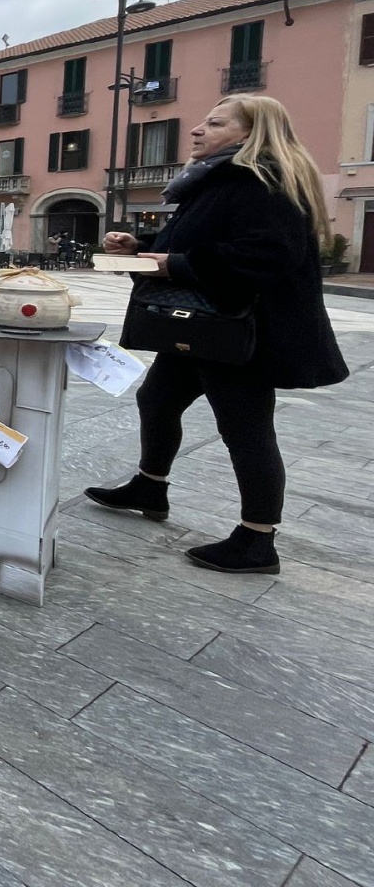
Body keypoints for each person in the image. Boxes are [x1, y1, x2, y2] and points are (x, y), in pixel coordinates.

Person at [85, 95, 347, 574]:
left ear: (250, 133)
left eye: (215, 122)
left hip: (240, 333)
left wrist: (175, 264)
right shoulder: (217, 181)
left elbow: (268, 255)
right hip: (204, 324)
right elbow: (201, 246)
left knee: (245, 428)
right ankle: (150, 485)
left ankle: (257, 540)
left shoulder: (260, 181)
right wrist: (142, 247)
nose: (197, 130)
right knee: (158, 399)